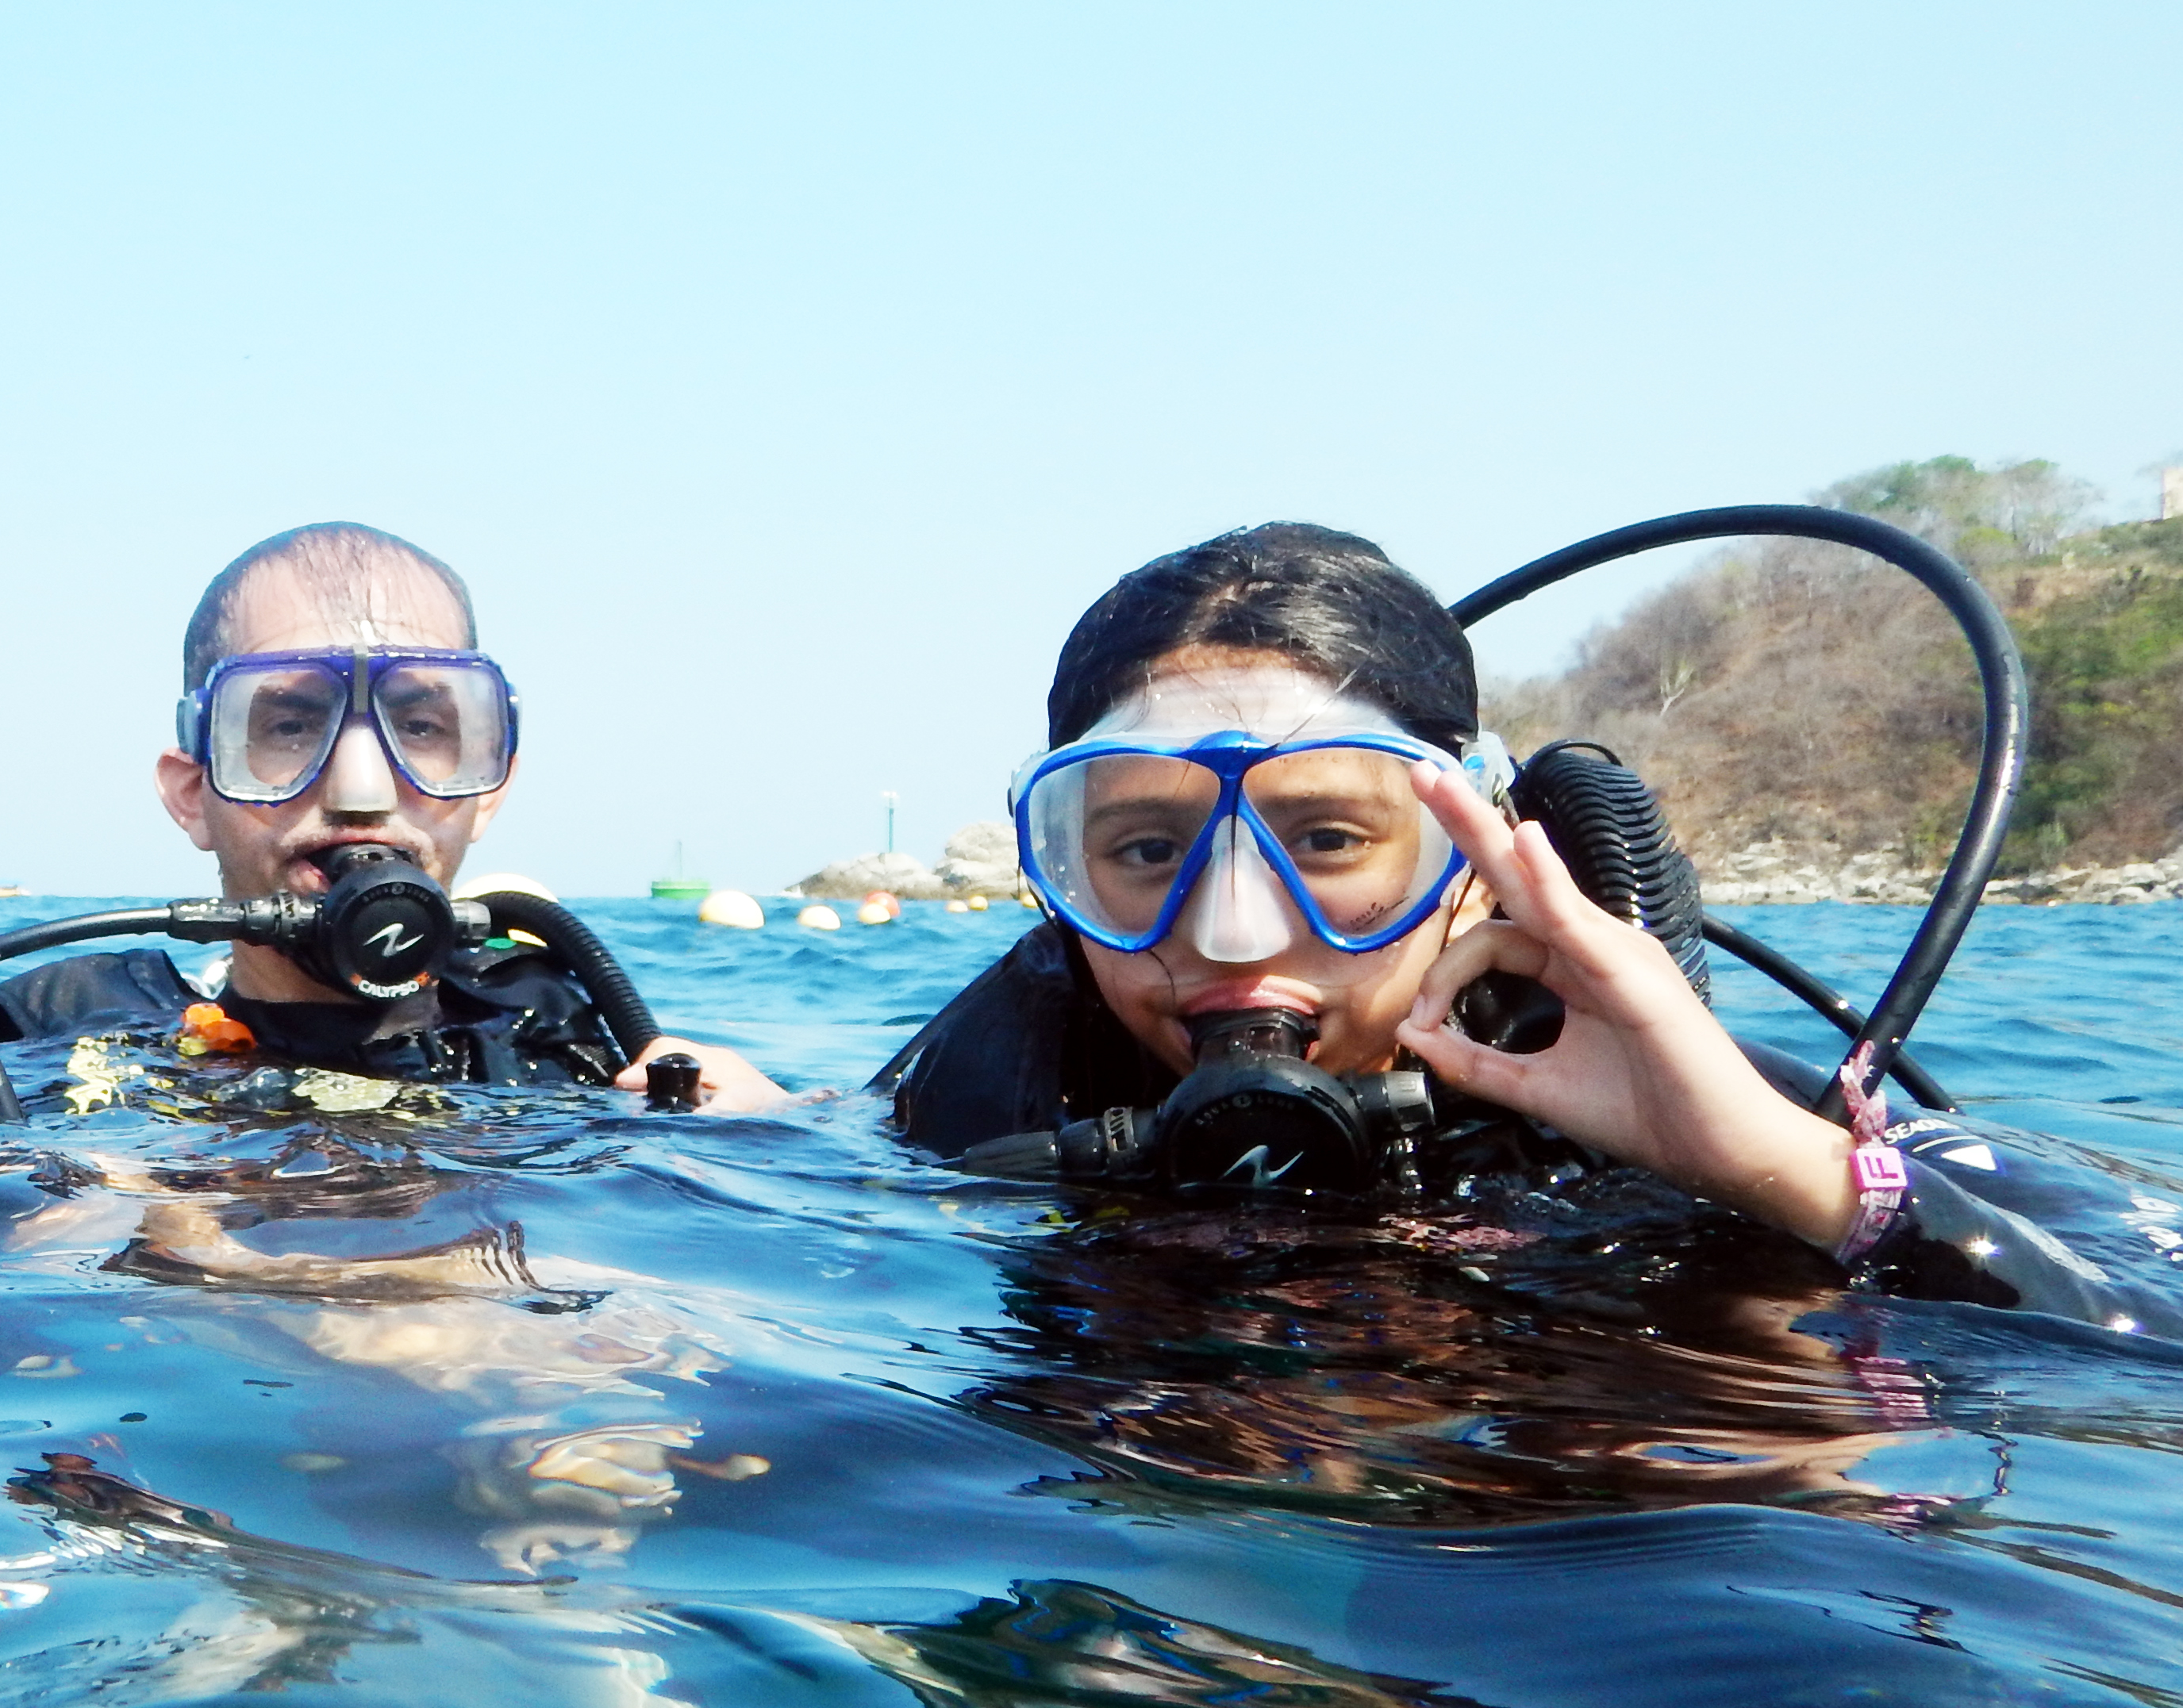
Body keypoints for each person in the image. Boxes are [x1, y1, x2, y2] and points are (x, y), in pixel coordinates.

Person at [882, 522, 2147, 1323]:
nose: (1228, 930)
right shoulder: (980, 1105)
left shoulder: (1730, 1122)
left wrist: (1781, 1176)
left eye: (1326, 840)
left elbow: (2137, 1355)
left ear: (1476, 855)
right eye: (1146, 850)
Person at [0, 521, 786, 1109]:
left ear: (489, 790)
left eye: (425, 725)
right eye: (289, 724)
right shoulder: (55, 1038)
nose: (363, 789)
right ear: (193, 794)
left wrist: (778, 1133)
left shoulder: (563, 1037)